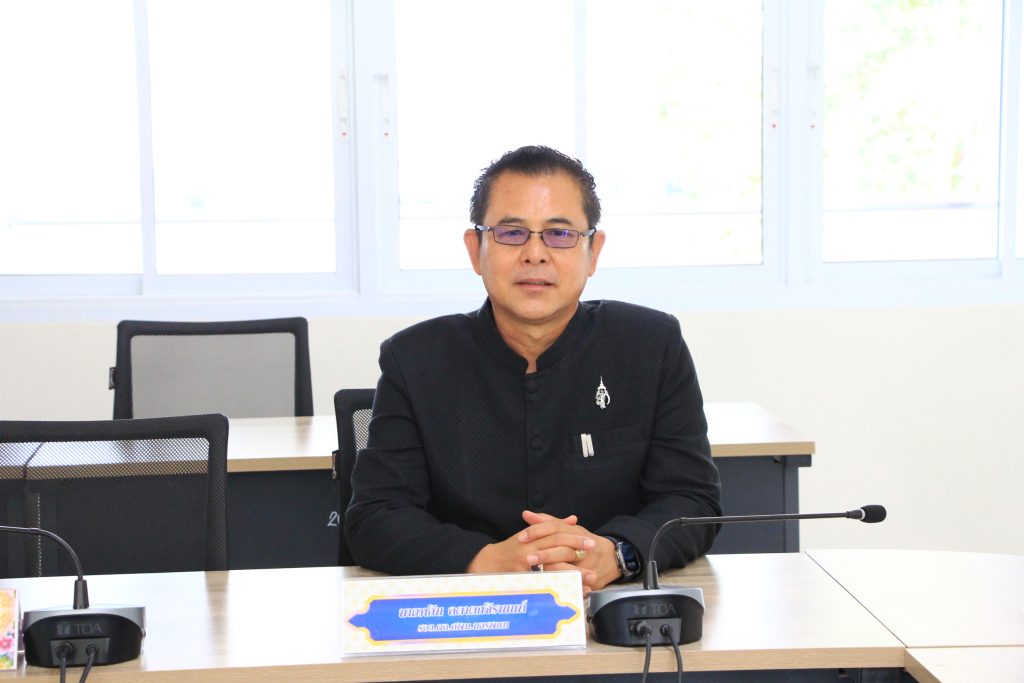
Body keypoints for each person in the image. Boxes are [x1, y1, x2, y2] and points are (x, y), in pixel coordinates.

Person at [345, 145, 721, 592]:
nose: (535, 254)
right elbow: (376, 517)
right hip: (471, 610)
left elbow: (692, 500)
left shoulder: (651, 345)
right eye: (511, 233)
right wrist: (485, 560)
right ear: (475, 250)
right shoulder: (415, 360)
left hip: (611, 607)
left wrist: (617, 553)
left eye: (559, 234)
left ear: (593, 252)